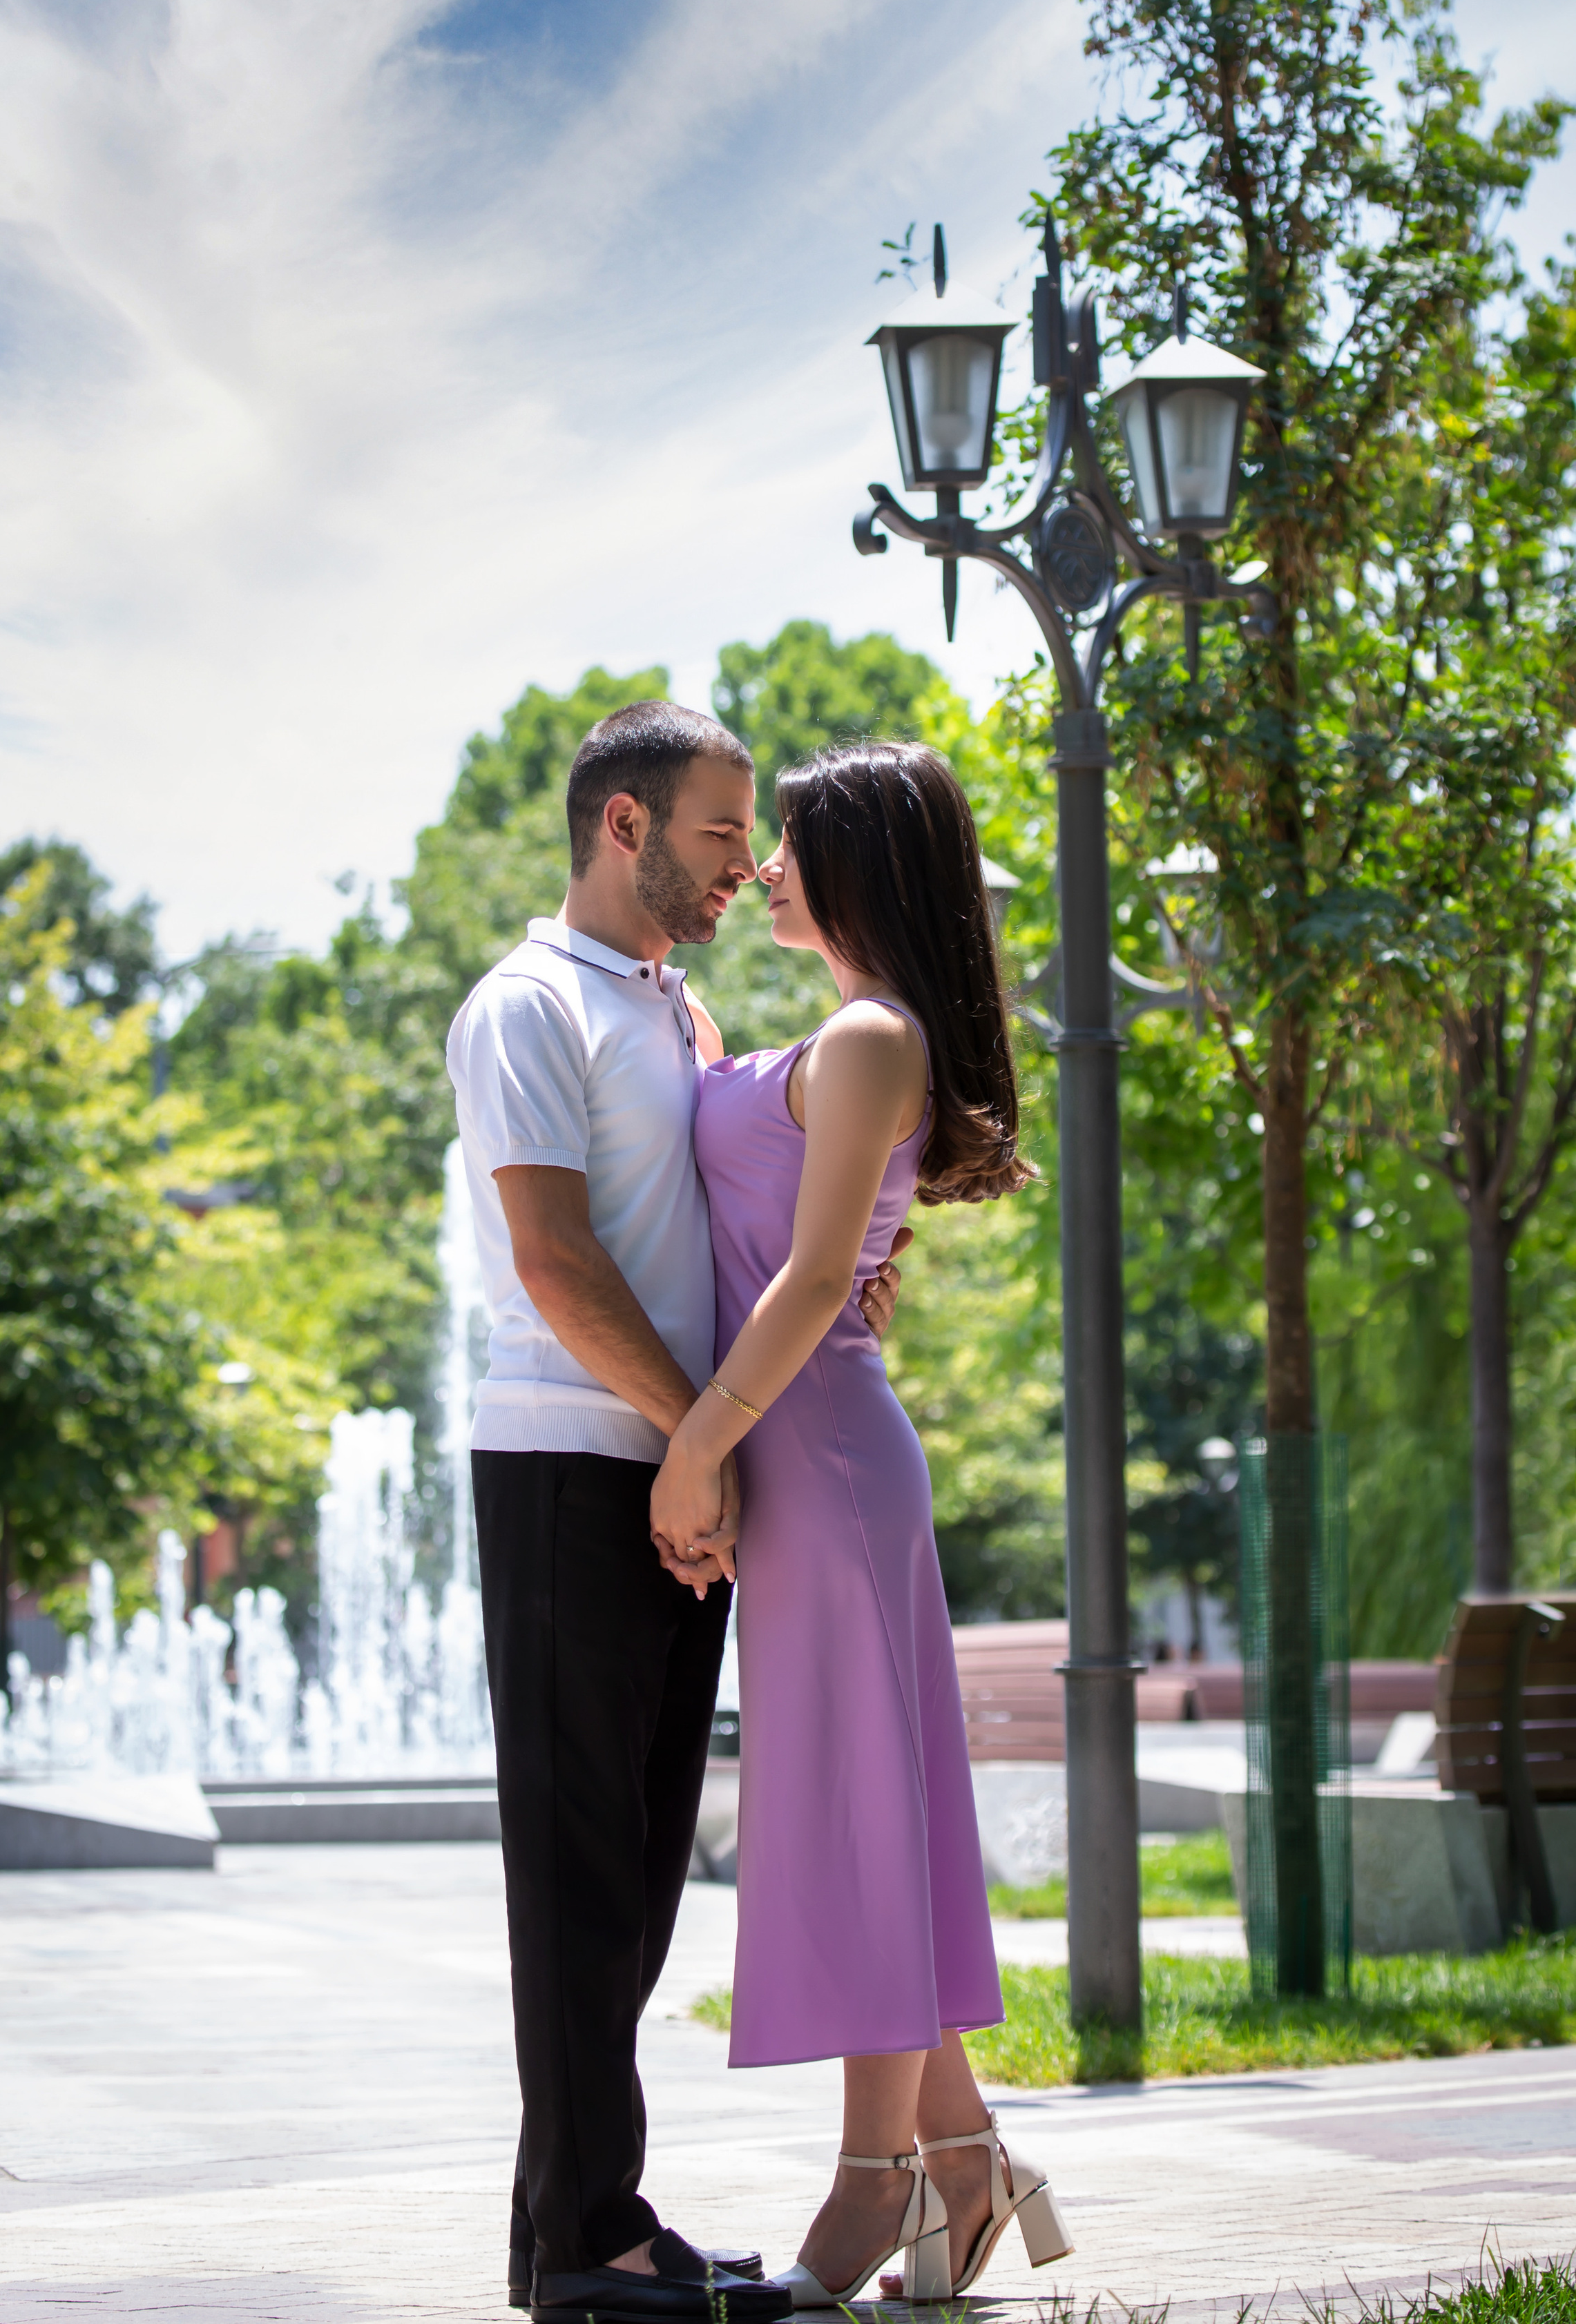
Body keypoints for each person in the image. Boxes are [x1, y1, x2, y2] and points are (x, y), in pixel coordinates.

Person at [445, 701, 903, 2324]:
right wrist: (687, 1442)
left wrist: (711, 1445)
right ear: (622, 828)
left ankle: (577, 2225)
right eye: (718, 832)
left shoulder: (668, 1009)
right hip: (576, 1468)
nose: (743, 863)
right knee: (576, 1871)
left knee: (634, 1873)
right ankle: (586, 2245)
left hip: (671, 1476)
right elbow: (556, 1265)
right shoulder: (526, 1009)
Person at [653, 740, 1075, 2309]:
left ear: (852, 868)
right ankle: (963, 2174)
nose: (758, 866)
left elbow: (820, 1277)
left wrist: (696, 1447)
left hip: (814, 1460)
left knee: (850, 1822)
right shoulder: (833, 1037)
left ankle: (874, 2184)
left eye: (785, 844)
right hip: (807, 1457)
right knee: (858, 1813)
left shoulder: (874, 1034)